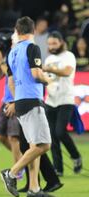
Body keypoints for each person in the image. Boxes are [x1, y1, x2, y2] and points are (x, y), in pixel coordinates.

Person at [1, 16, 54, 197]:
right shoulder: (32, 47)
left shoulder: (12, 52)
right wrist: (49, 80)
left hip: (21, 101)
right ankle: (12, 173)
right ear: (34, 30)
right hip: (32, 99)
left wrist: (16, 100)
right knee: (44, 144)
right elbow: (37, 74)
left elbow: (10, 82)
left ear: (18, 31)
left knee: (33, 146)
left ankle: (34, 188)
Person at [43, 31, 83, 176]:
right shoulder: (48, 59)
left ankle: (76, 156)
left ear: (61, 42)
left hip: (66, 99)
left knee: (60, 132)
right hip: (51, 100)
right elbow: (46, 78)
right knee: (52, 137)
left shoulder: (69, 56)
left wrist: (49, 69)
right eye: (49, 44)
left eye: (54, 43)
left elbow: (66, 72)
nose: (52, 46)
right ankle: (58, 168)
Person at [0, 33, 22, 171]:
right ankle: (22, 160)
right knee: (0, 136)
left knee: (14, 137)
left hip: (16, 100)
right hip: (6, 101)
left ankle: (18, 169)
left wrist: (1, 61)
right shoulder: (8, 57)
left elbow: (12, 75)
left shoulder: (19, 57)